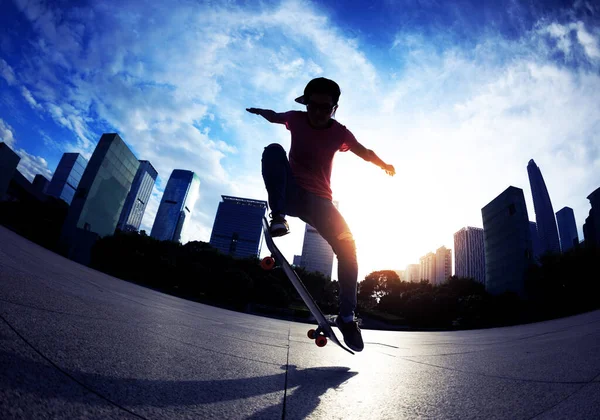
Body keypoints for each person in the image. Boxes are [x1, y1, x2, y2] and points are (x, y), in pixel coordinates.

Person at [246, 77, 395, 352]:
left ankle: (347, 317)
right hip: (290, 194)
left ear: (334, 108)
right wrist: (263, 113)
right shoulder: (295, 118)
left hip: (321, 204)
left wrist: (383, 164)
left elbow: (364, 152)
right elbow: (275, 116)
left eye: (324, 108)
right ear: (306, 103)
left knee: (348, 248)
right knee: (273, 151)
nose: (317, 113)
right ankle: (279, 217)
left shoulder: (340, 133)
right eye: (313, 106)